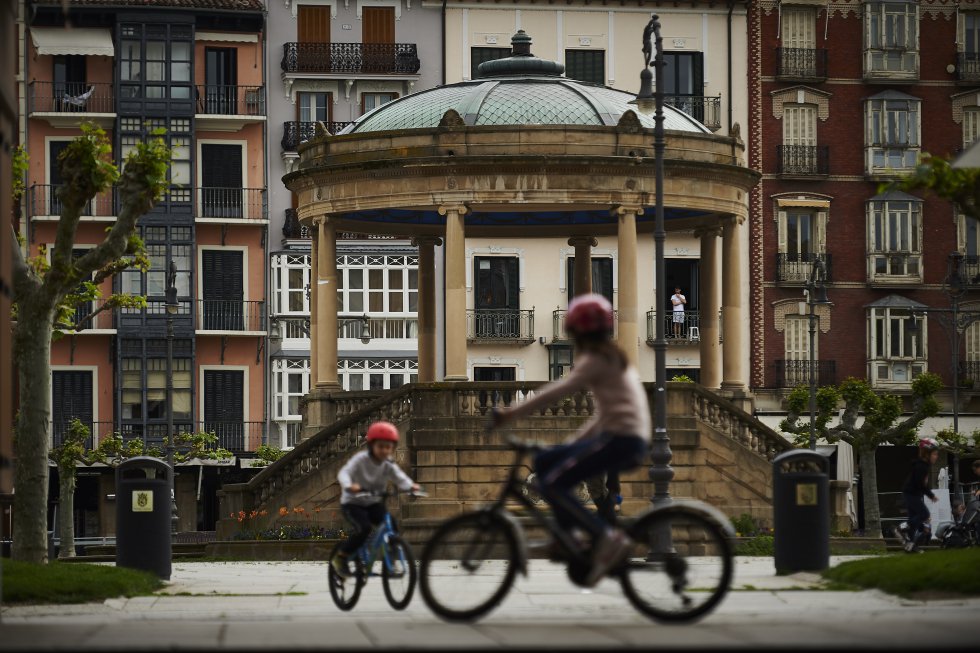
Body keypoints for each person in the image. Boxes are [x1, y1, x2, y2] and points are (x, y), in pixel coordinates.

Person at [490, 293, 650, 586]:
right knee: (544, 461)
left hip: (622, 440)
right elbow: (601, 417)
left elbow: (558, 391)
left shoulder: (597, 359)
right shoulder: (611, 357)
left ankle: (605, 538)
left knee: (552, 482)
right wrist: (569, 445)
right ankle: (565, 538)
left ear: (578, 331)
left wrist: (509, 413)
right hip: (620, 436)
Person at [330, 421, 420, 578]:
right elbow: (344, 473)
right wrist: (350, 485)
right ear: (371, 446)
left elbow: (399, 477)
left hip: (372, 502)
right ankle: (341, 557)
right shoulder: (361, 460)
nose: (384, 450)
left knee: (392, 525)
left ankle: (389, 560)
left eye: (388, 447)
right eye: (380, 446)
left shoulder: (388, 464)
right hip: (353, 502)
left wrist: (411, 486)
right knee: (364, 528)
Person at [900, 438, 940, 553]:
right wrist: (931, 495)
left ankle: (910, 547)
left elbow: (921, 485)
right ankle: (903, 527)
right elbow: (920, 484)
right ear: (927, 454)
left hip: (913, 494)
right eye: (934, 454)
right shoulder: (922, 466)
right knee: (924, 514)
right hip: (911, 494)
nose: (936, 457)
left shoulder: (923, 465)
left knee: (913, 520)